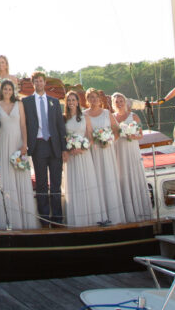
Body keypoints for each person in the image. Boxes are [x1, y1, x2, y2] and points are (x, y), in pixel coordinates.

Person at [23, 71, 67, 226]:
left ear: (45, 83)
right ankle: (44, 219)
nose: (39, 83)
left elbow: (61, 127)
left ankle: (57, 219)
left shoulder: (54, 102)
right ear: (33, 83)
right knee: (41, 184)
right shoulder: (26, 102)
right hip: (38, 145)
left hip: (54, 146)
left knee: (55, 184)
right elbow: (24, 125)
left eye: (41, 81)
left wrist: (64, 149)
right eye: (36, 81)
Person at [0, 79, 39, 230]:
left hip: (17, 143)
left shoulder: (19, 104)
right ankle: (9, 220)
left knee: (20, 176)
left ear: (13, 91)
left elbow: (23, 125)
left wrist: (25, 144)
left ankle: (25, 219)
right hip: (3, 144)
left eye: (10, 89)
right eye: (5, 89)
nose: (7, 91)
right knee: (6, 177)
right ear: (1, 91)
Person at [63, 90, 106, 226]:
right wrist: (69, 148)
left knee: (87, 183)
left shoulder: (85, 117)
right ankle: (78, 220)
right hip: (71, 157)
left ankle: (92, 218)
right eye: (69, 100)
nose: (71, 103)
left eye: (73, 100)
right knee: (74, 185)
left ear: (78, 102)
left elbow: (90, 137)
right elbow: (62, 137)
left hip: (84, 154)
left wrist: (83, 147)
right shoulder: (63, 118)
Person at [85, 88, 125, 225]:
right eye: (90, 97)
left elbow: (117, 130)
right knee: (95, 180)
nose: (93, 99)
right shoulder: (84, 115)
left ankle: (112, 213)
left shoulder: (107, 113)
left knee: (108, 178)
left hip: (107, 151)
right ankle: (98, 214)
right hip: (93, 152)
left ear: (99, 99)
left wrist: (109, 140)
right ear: (87, 99)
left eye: (95, 97)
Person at [111, 92, 151, 222]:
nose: (119, 103)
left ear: (125, 102)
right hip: (118, 149)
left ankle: (138, 210)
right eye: (116, 102)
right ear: (113, 104)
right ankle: (124, 211)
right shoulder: (112, 117)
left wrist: (131, 135)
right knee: (120, 175)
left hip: (131, 148)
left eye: (121, 101)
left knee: (132, 175)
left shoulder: (133, 116)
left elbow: (140, 135)